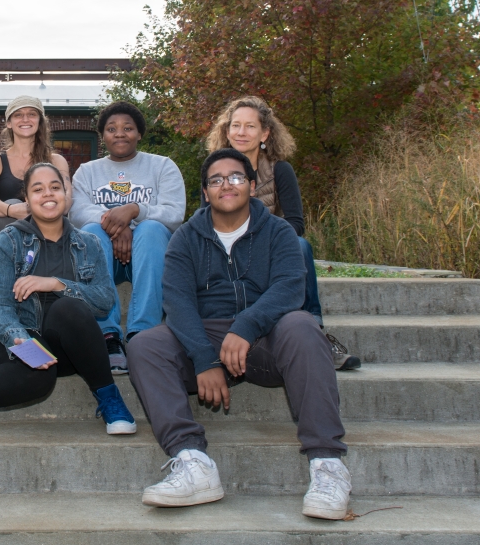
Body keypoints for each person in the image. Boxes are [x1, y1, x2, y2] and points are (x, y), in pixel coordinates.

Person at [127, 148, 351, 519]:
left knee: (303, 325)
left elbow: (290, 287)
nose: (225, 185)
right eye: (215, 180)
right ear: (205, 192)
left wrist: (246, 326)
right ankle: (192, 461)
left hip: (267, 338)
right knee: (145, 344)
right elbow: (178, 303)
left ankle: (328, 465)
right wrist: (204, 358)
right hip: (208, 333)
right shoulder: (185, 238)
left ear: (251, 185)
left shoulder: (278, 232)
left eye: (234, 177)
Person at [0, 163, 138, 436]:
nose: (48, 194)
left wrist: (56, 284)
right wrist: (19, 339)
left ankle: (109, 398)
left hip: (67, 347)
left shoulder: (88, 243)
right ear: (27, 200)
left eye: (55, 187)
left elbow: (105, 301)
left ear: (66, 195)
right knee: (39, 374)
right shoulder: (8, 241)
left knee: (69, 308)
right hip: (14, 338)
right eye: (38, 189)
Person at [207, 96, 360, 371]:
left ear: (265, 133)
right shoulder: (214, 170)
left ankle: (316, 331)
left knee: (300, 245)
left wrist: (261, 239)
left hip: (272, 247)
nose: (241, 132)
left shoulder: (280, 170)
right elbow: (207, 220)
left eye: (250, 126)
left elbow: (296, 222)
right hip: (228, 248)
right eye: (236, 125)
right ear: (226, 131)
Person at [69, 101, 186, 375]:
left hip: (148, 255)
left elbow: (174, 213)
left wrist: (135, 210)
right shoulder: (87, 171)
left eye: (127, 128)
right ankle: (108, 335)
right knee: (90, 231)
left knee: (153, 228)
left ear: (139, 133)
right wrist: (118, 224)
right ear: (103, 135)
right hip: (104, 254)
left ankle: (142, 334)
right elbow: (76, 212)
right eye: (112, 129)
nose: (119, 134)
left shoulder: (162, 166)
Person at [0, 95, 72, 269]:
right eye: (18, 115)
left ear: (40, 121)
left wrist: (32, 212)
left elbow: (66, 202)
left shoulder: (57, 161)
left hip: (45, 242)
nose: (25, 119)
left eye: (32, 114)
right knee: (11, 207)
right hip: (1, 245)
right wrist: (11, 210)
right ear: (9, 123)